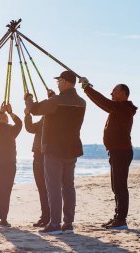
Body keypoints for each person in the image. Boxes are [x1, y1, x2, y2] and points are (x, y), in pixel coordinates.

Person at [25, 71, 86, 235]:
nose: (57, 84)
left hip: (54, 148)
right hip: (72, 148)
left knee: (53, 187)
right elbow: (60, 111)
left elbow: (35, 109)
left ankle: (54, 224)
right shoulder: (81, 102)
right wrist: (52, 98)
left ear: (65, 82)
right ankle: (68, 224)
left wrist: (28, 99)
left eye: (59, 81)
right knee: (68, 186)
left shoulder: (56, 101)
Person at [80, 77, 137, 229]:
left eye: (114, 90)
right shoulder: (119, 108)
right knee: (116, 186)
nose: (111, 92)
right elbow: (104, 101)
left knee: (119, 186)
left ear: (123, 93)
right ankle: (118, 217)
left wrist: (86, 88)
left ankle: (121, 220)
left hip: (121, 152)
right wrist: (88, 88)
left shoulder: (123, 108)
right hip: (117, 152)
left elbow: (102, 102)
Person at [0, 103, 22, 228]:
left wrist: (1, 112)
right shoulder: (9, 130)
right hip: (7, 166)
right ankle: (3, 220)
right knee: (5, 193)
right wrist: (9, 112)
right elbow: (19, 123)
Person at [24, 108, 50, 227]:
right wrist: (27, 115)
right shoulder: (45, 117)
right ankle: (45, 216)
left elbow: (31, 128)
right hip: (39, 155)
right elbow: (31, 128)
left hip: (43, 155)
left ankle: (47, 217)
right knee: (43, 188)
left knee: (45, 188)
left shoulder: (50, 116)